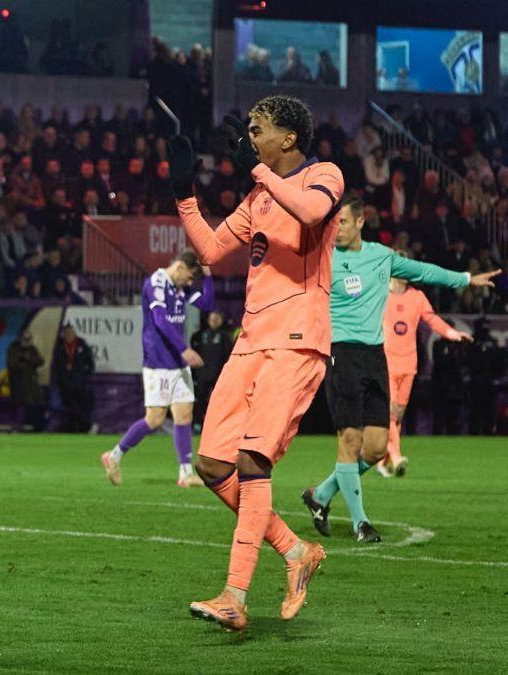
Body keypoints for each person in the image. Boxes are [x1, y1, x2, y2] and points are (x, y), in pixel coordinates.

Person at [167, 95, 337, 631]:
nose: (249, 138)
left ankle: (235, 596)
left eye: (257, 129)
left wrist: (259, 171)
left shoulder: (323, 175)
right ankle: (295, 551)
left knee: (253, 462)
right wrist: (183, 194)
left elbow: (311, 212)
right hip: (252, 337)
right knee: (213, 466)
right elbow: (212, 252)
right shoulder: (258, 195)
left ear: (288, 138)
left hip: (297, 339)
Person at [301, 197, 497, 542]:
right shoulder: (324, 258)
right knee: (349, 440)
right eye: (334, 223)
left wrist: (466, 279)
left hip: (376, 357)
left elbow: (423, 271)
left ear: (361, 221)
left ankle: (319, 495)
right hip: (341, 354)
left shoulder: (381, 257)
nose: (337, 229)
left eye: (343, 222)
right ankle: (362, 523)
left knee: (376, 449)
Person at [102, 251, 213, 487]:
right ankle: (114, 456)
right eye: (191, 277)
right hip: (158, 363)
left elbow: (208, 303)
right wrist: (184, 348)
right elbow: (160, 320)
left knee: (184, 414)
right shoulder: (157, 282)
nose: (191, 283)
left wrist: (208, 274)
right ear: (180, 266)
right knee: (154, 419)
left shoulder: (181, 288)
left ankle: (185, 474)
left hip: (178, 364)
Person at [377, 253, 473, 478]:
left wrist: (453, 334)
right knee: (390, 413)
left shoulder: (417, 297)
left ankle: (383, 460)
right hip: (386, 362)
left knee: (398, 415)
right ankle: (397, 456)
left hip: (409, 363)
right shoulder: (380, 294)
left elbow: (431, 319)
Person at [190, 311, 232, 429]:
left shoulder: (225, 336)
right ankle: (197, 424)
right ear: (208, 320)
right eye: (212, 318)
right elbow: (194, 350)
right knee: (200, 400)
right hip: (203, 374)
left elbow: (228, 355)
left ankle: (220, 426)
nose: (214, 321)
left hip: (219, 375)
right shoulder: (200, 335)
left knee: (220, 401)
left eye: (217, 318)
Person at [52, 324, 95, 433]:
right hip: (65, 386)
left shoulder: (81, 345)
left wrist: (84, 377)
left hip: (79, 385)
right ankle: (82, 427)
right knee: (71, 408)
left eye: (70, 333)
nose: (68, 336)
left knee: (80, 407)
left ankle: (83, 427)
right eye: (66, 334)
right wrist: (60, 380)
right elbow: (56, 366)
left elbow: (90, 364)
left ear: (74, 334)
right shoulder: (60, 347)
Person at [6, 330, 45, 432]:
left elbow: (40, 361)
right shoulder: (13, 348)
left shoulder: (32, 349)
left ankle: (36, 426)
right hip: (18, 383)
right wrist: (27, 361)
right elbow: (13, 364)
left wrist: (28, 360)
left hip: (31, 384)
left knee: (35, 404)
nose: (27, 341)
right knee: (19, 405)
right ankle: (17, 426)